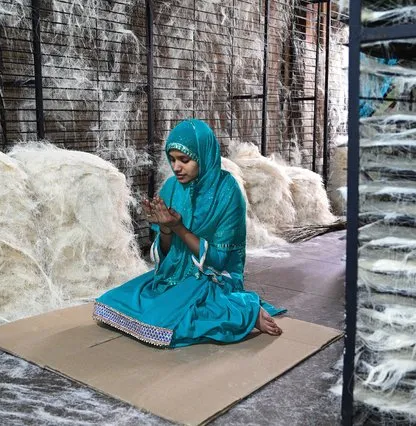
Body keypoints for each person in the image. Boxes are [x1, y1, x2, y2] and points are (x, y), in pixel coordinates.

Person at [93, 119, 285, 347]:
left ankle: (246, 310)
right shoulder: (172, 187)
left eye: (185, 160)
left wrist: (179, 228)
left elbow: (220, 261)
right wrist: (165, 228)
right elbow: (165, 255)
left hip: (210, 276)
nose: (176, 167)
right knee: (109, 305)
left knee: (168, 323)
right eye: (172, 159)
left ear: (204, 155)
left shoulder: (227, 191)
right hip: (172, 275)